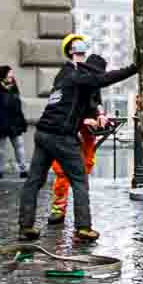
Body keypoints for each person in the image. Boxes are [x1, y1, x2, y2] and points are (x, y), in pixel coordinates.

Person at [18, 36, 136, 245]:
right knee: (80, 180)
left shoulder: (64, 75)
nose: (82, 52)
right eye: (79, 49)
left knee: (34, 180)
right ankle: (83, 229)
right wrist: (134, 68)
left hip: (42, 133)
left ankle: (25, 227)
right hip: (61, 135)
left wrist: (97, 112)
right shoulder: (78, 77)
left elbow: (85, 97)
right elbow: (103, 79)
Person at [45, 35, 107, 223]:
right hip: (68, 132)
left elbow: (96, 102)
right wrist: (84, 121)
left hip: (86, 135)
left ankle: (81, 216)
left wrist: (101, 115)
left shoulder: (93, 82)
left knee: (83, 172)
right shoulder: (71, 78)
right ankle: (59, 209)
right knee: (63, 172)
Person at [0, 65, 29, 178]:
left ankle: (23, 169)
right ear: (3, 76)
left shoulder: (14, 87)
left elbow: (18, 105)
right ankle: (0, 171)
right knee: (0, 149)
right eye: (9, 74)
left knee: (19, 146)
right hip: (1, 122)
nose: (11, 76)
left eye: (11, 74)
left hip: (14, 122)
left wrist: (22, 120)